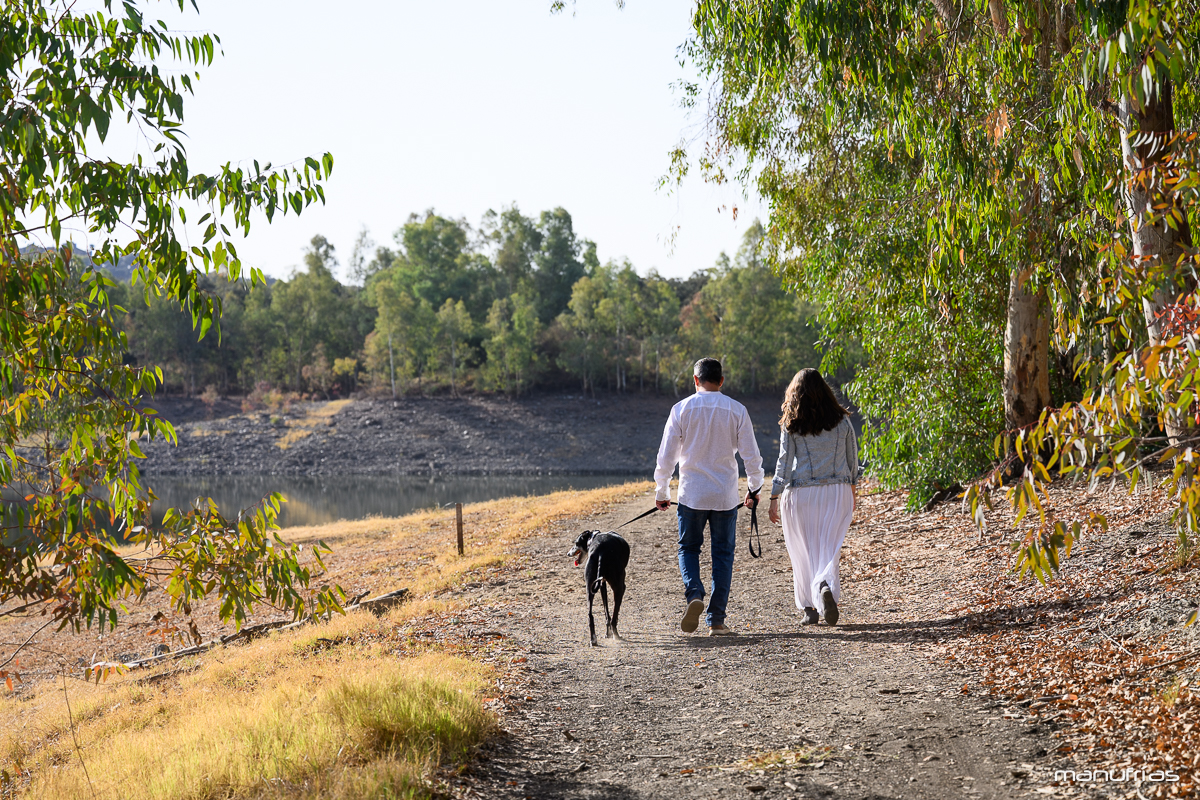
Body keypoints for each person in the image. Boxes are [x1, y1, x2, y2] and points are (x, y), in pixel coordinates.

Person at [654, 357, 765, 636]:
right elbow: (752, 456)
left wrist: (662, 491)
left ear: (695, 380)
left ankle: (694, 594)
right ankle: (716, 620)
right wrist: (754, 488)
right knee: (723, 555)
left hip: (691, 494)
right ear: (722, 381)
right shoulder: (737, 410)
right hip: (725, 496)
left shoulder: (681, 409)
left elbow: (667, 456)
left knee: (688, 549)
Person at [767, 368, 858, 626]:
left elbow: (784, 464)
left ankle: (810, 607)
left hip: (801, 494)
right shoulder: (843, 421)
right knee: (829, 547)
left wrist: (774, 496)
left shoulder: (792, 423)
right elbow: (853, 460)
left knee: (802, 551)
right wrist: (851, 491)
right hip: (837, 491)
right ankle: (824, 585)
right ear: (826, 392)